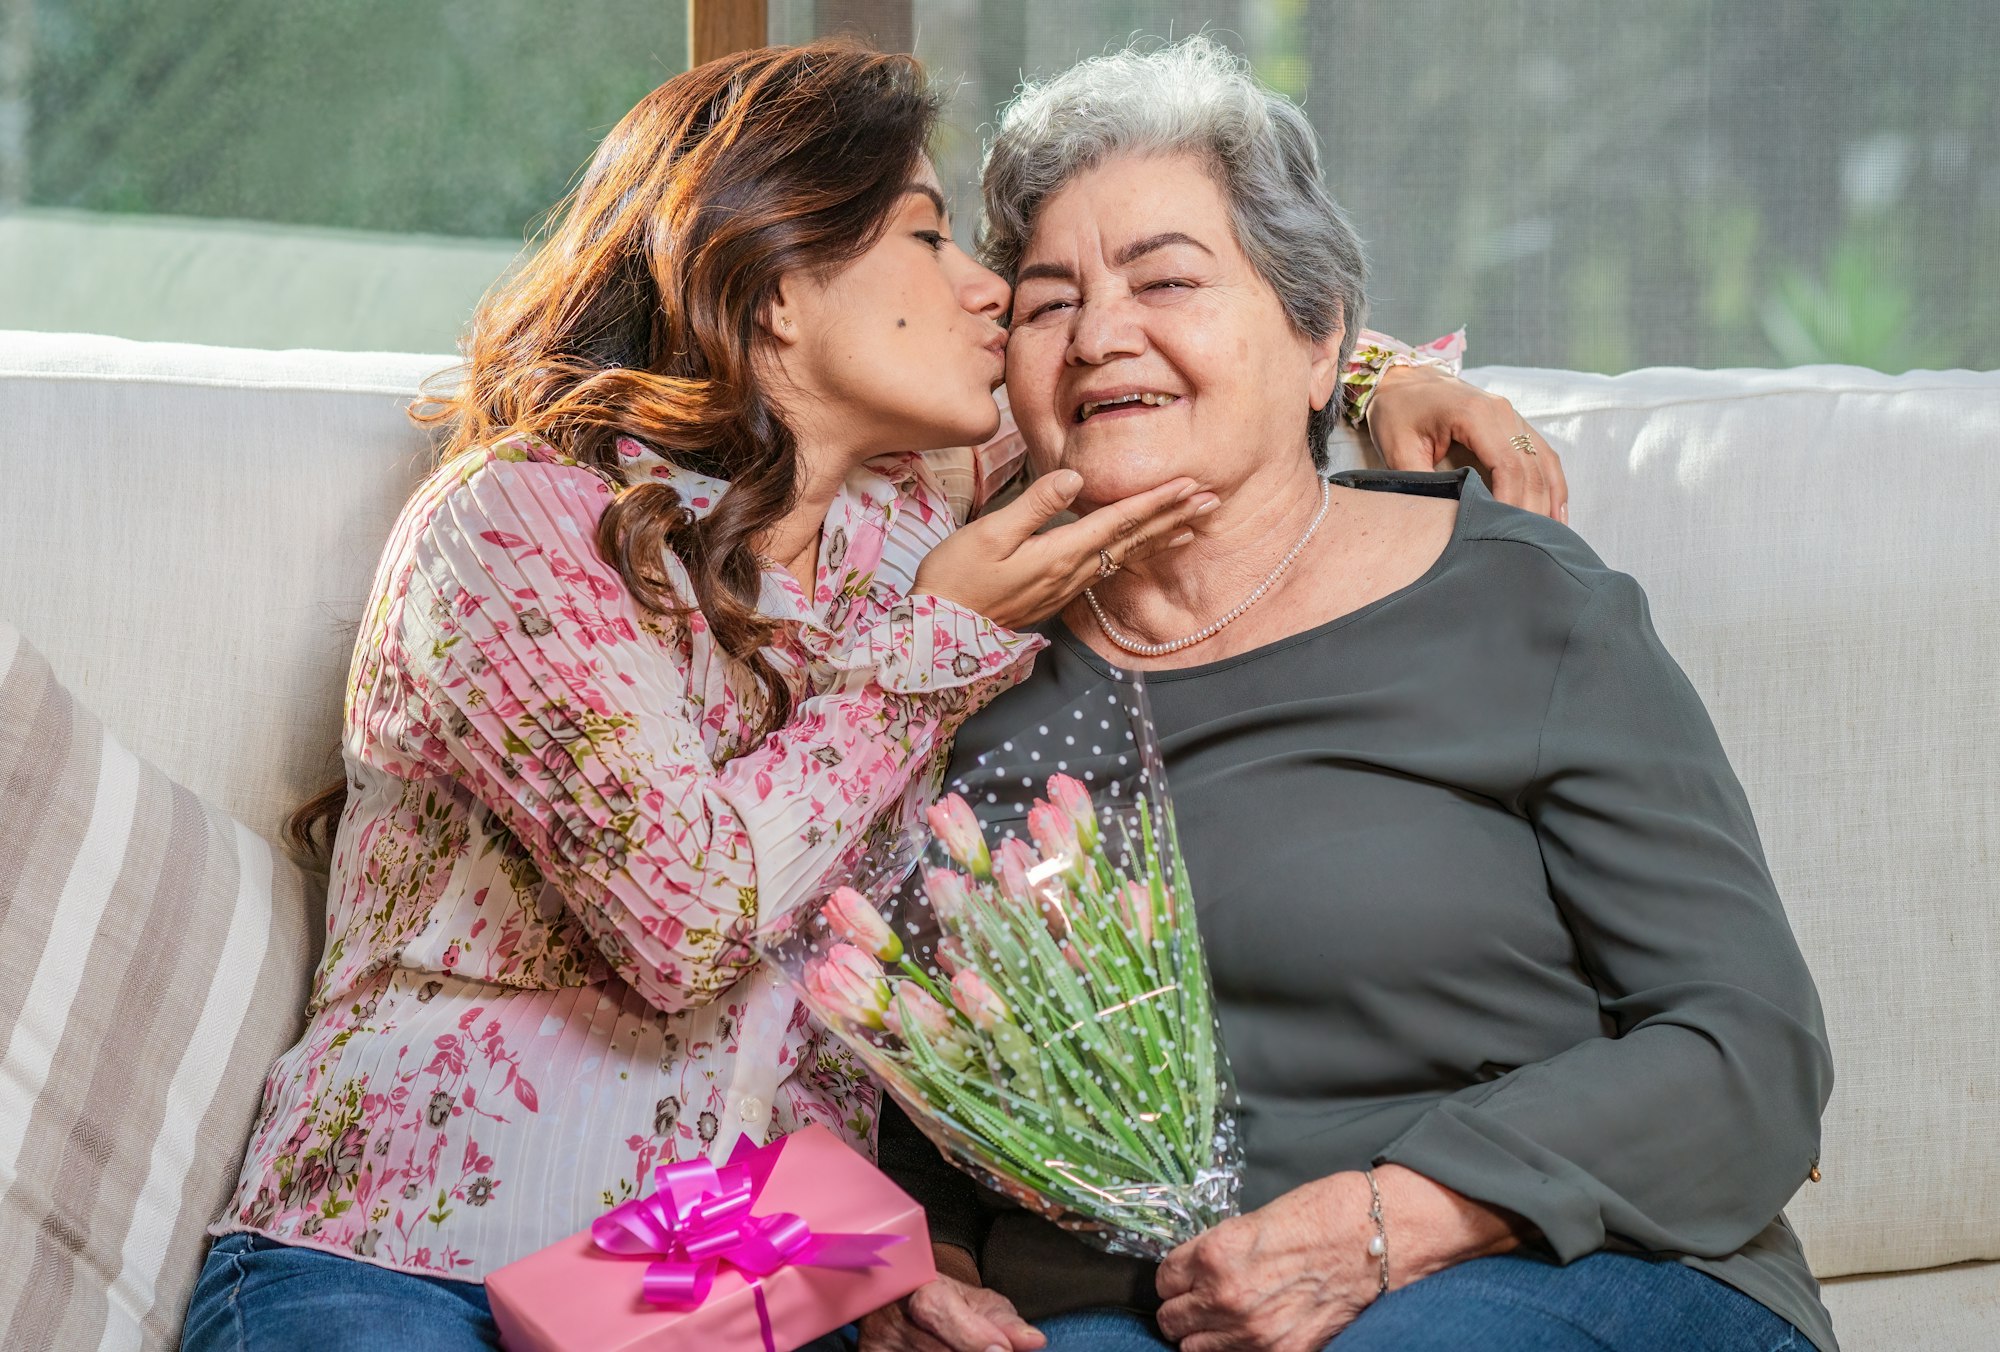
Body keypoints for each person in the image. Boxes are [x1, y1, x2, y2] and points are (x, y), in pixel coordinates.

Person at [180, 39, 1557, 1352]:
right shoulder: (522, 528)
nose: (993, 293)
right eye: (929, 235)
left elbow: (1178, 372)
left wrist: (1379, 372)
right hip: (410, 1265)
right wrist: (937, 641)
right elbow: (684, 919)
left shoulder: (908, 522)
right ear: (778, 282)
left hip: (730, 1276)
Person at [865, 37, 1835, 1352]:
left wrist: (1395, 1218)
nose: (1099, 336)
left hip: (1542, 1264)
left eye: (1167, 280)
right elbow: (924, 1077)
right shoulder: (957, 656)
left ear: (1322, 343)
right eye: (1046, 304)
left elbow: (1750, 1052)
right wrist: (920, 1268)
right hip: (1105, 1309)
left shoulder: (1514, 602)